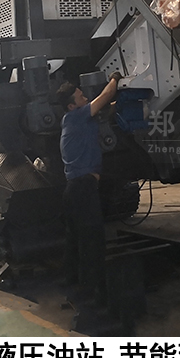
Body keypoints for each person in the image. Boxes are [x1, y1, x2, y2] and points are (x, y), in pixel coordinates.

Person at [56, 72, 122, 302]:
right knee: (92, 240)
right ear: (72, 105)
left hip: (74, 189)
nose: (85, 98)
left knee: (75, 239)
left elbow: (105, 107)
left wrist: (121, 102)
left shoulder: (73, 119)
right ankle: (90, 292)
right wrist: (115, 79)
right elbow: (105, 96)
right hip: (83, 189)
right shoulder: (77, 116)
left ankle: (71, 281)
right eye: (81, 96)